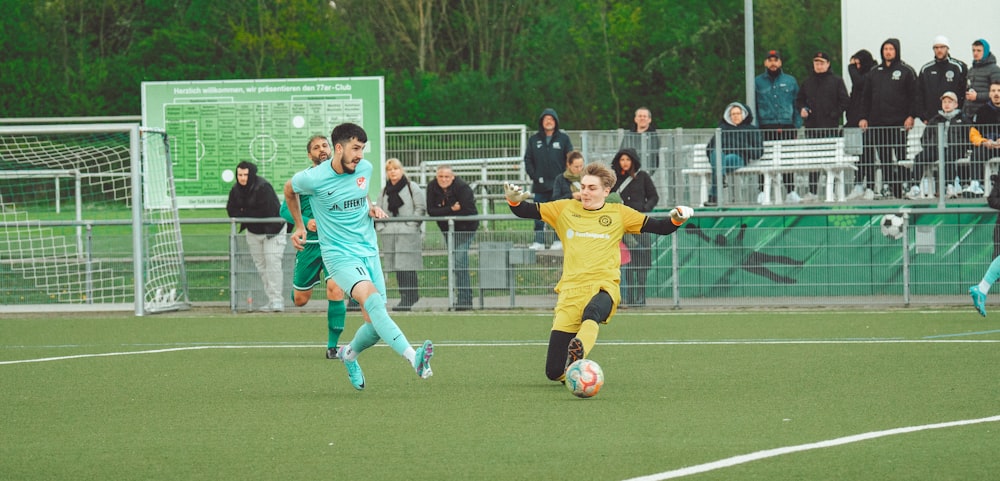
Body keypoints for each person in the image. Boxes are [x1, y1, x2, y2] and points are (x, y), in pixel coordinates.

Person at [502, 163, 693, 382]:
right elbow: (525, 210)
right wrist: (513, 201)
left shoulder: (619, 213)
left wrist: (677, 219)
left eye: (592, 188)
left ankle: (579, 349)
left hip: (604, 286)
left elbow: (661, 227)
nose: (585, 192)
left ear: (606, 191)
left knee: (592, 311)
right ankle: (575, 374)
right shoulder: (564, 208)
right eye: (583, 186)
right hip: (571, 292)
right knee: (554, 372)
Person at [284, 122, 434, 390]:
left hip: (368, 250)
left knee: (376, 323)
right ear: (338, 148)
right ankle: (415, 359)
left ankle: (348, 354)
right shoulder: (314, 178)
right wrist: (298, 224)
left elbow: (361, 195)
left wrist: (372, 207)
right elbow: (288, 190)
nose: (360, 155)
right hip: (339, 255)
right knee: (374, 303)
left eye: (362, 149)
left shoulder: (364, 169)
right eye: (355, 148)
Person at [279, 135, 350, 358]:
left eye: (324, 145)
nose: (322, 149)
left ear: (332, 149)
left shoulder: (343, 178)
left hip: (334, 244)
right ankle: (300, 286)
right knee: (300, 300)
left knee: (335, 289)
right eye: (316, 147)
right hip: (309, 246)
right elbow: (283, 210)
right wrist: (305, 221)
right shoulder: (304, 179)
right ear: (310, 155)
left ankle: (332, 346)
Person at [858, 38, 919, 199]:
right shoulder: (874, 72)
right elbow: (866, 97)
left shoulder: (906, 71)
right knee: (884, 157)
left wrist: (911, 116)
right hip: (878, 123)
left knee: (900, 156)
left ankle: (904, 186)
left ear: (897, 51)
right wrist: (863, 117)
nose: (888, 51)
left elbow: (914, 96)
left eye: (891, 49)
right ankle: (888, 186)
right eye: (885, 49)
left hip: (899, 123)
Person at [226, 160, 287, 312]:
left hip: (273, 231)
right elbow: (231, 210)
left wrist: (244, 212)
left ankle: (277, 300)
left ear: (251, 174)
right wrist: (247, 214)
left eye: (245, 175)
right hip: (253, 232)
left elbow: (265, 211)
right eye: (239, 175)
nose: (242, 178)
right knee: (262, 267)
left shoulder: (263, 187)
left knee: (272, 264)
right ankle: (271, 300)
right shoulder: (235, 190)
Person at [795, 51, 850, 197]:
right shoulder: (807, 82)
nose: (818, 66)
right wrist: (802, 109)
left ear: (828, 64)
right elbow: (799, 100)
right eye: (816, 63)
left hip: (830, 128)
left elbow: (845, 101)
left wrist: (834, 114)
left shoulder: (837, 81)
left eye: (821, 63)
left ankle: (831, 192)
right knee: (813, 162)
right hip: (812, 128)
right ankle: (812, 192)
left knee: (830, 161)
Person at [426, 164, 479, 310]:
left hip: (466, 229)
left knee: (459, 262)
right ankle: (457, 300)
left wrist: (444, 212)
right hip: (447, 230)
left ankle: (465, 301)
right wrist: (451, 209)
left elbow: (468, 211)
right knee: (454, 264)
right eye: (440, 176)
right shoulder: (432, 187)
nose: (443, 179)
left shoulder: (463, 188)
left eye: (447, 176)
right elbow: (431, 211)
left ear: (453, 177)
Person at [610, 148, 659, 307]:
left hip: (640, 223)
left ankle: (641, 296)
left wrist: (645, 208)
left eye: (628, 160)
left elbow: (653, 196)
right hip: (622, 226)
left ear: (633, 161)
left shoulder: (642, 176)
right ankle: (629, 296)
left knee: (643, 260)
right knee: (627, 262)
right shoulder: (613, 178)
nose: (624, 163)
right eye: (622, 159)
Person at [377, 158, 426, 311]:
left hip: (408, 233)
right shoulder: (384, 191)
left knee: (408, 265)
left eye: (395, 169)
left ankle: (410, 296)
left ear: (401, 170)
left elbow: (420, 208)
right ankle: (404, 296)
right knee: (397, 266)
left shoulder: (412, 188)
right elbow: (378, 210)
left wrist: (410, 226)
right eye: (389, 170)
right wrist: (382, 228)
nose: (393, 172)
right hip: (390, 234)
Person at [524, 108, 574, 250]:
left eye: (551, 119)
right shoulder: (534, 140)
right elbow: (528, 160)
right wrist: (535, 176)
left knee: (559, 214)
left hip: (558, 186)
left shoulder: (564, 138)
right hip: (540, 186)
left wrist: (564, 178)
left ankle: (558, 240)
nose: (549, 121)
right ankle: (538, 241)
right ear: (542, 122)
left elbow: (570, 158)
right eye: (546, 119)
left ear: (556, 121)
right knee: (539, 213)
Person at [912, 92, 971, 198]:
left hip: (955, 148)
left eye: (949, 102)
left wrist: (962, 146)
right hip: (936, 148)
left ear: (956, 104)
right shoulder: (935, 119)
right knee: (919, 157)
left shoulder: (963, 119)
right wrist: (929, 146)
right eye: (944, 102)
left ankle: (950, 186)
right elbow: (925, 136)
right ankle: (915, 187)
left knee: (948, 156)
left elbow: (968, 135)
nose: (946, 104)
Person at [705, 102, 764, 206]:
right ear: (729, 115)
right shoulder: (721, 129)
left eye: (738, 113)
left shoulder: (751, 129)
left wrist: (741, 145)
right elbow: (709, 148)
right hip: (720, 156)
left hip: (738, 158)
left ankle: (713, 197)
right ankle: (720, 176)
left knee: (719, 166)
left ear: (744, 114)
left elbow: (758, 152)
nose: (735, 116)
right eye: (733, 114)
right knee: (716, 153)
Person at [916, 36, 968, 123]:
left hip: (954, 119)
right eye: (936, 48)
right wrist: (923, 116)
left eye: (942, 47)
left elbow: (964, 92)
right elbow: (919, 94)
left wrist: (961, 114)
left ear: (947, 48)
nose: (939, 50)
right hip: (932, 119)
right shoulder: (926, 69)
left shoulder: (959, 67)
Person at [755, 49, 802, 142]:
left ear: (780, 62)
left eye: (775, 60)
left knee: (788, 154)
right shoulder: (757, 82)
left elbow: (797, 102)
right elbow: (754, 105)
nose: (773, 63)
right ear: (765, 63)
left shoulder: (790, 81)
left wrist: (797, 124)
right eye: (770, 60)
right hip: (765, 126)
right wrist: (756, 127)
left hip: (787, 125)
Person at [963, 39, 1000, 119]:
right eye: (973, 50)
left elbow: (997, 93)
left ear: (986, 51)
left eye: (979, 50)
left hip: (987, 113)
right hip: (969, 114)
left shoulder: (994, 70)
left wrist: (977, 96)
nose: (975, 53)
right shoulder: (971, 70)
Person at [619, 107, 661, 172]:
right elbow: (621, 153)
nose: (642, 118)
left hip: (648, 172)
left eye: (644, 116)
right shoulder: (628, 135)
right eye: (640, 116)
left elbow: (654, 157)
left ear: (649, 119)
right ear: (635, 119)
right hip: (630, 172)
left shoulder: (654, 136)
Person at [845, 49, 876, 128]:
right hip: (855, 117)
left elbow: (859, 83)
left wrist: (851, 67)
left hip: (868, 120)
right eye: (856, 64)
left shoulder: (873, 73)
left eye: (859, 64)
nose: (857, 67)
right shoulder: (860, 74)